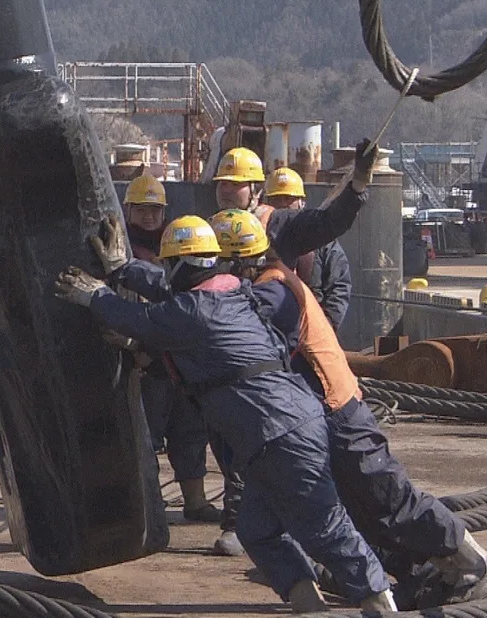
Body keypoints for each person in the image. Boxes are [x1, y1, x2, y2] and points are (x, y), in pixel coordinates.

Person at [57, 215, 396, 612]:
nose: (166, 272)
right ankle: (308, 601)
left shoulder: (195, 312)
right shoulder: (232, 293)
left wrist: (95, 295)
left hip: (280, 432)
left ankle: (380, 601)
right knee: (257, 528)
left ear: (181, 265)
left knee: (324, 524)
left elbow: (142, 318)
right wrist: (124, 269)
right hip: (275, 432)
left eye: (170, 264)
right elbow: (169, 290)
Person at [209, 208, 487, 609]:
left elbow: (221, 327)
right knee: (331, 516)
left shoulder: (273, 291)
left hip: (337, 412)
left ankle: (478, 564)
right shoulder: (266, 285)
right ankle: (414, 580)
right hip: (309, 421)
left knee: (389, 500)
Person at [204, 142, 376, 556]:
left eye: (237, 186)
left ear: (255, 191)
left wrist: (357, 185)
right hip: (236, 356)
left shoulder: (278, 225)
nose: (228, 192)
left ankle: (324, 527)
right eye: (223, 185)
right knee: (234, 439)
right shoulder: (209, 232)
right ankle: (243, 521)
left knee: (298, 444)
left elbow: (328, 223)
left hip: (288, 356)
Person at [123, 175, 220, 523]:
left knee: (190, 430)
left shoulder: (177, 246)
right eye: (143, 210)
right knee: (144, 437)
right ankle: (146, 505)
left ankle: (195, 500)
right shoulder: (120, 251)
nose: (150, 217)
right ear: (129, 210)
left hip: (179, 360)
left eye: (155, 210)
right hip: (144, 361)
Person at [263, 168, 352, 331]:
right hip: (272, 328)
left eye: (289, 199)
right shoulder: (259, 239)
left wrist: (328, 325)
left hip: (313, 324)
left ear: (302, 202)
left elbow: (338, 285)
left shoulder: (324, 243)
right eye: (276, 199)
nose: (283, 204)